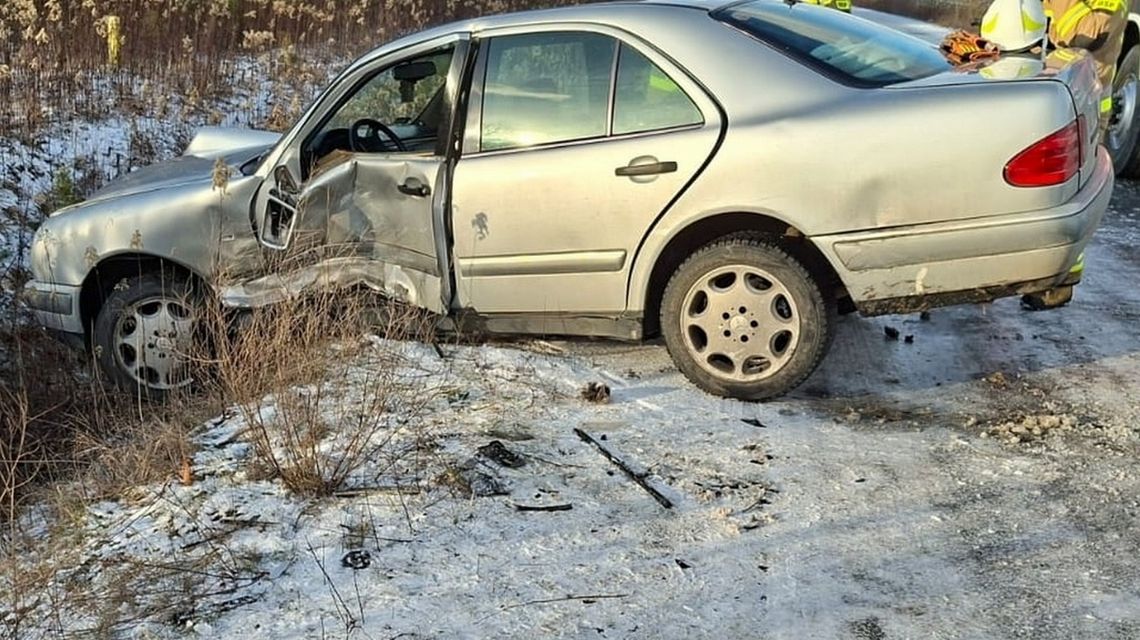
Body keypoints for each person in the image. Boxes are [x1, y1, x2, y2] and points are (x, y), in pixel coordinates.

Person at [979, 0, 1126, 310]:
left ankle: (1057, 284)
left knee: (1066, 197)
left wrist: (1045, 22)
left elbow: (1089, 30)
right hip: (1055, 96)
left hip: (1083, 104)